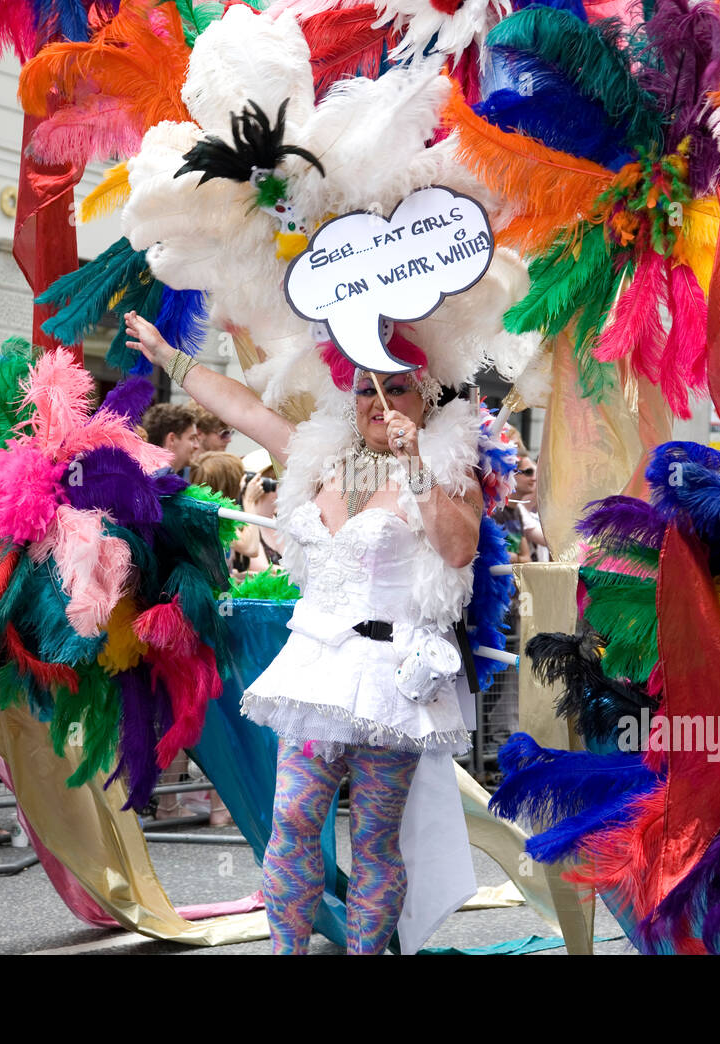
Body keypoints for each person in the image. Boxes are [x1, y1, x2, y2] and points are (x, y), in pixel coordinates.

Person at [125, 310, 482, 955]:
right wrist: (167, 356)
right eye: (366, 386)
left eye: (396, 387)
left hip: (388, 679)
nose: (379, 400)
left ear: (424, 398)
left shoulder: (447, 473)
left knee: (374, 837)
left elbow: (458, 550)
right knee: (291, 820)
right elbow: (241, 409)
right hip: (316, 669)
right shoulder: (319, 457)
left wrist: (415, 465)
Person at [141, 402, 202, 475]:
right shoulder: (160, 482)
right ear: (172, 439)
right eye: (191, 438)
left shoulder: (146, 475)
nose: (197, 446)